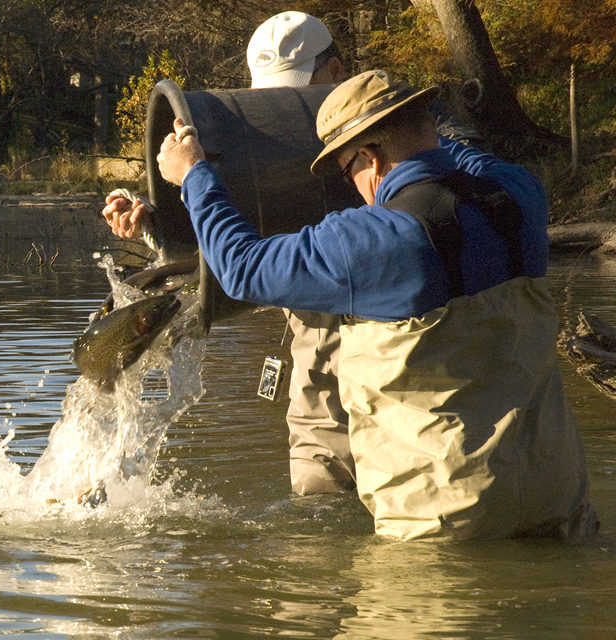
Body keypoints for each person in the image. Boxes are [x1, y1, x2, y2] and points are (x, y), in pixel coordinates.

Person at [154, 69, 597, 541]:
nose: (353, 189)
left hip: (442, 525)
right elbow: (464, 159)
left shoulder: (369, 240)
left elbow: (241, 268)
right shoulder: (521, 195)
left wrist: (194, 175)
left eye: (348, 172)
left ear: (371, 156)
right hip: (556, 498)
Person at [103, 11, 358, 497]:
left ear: (337, 74)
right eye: (274, 96)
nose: (288, 107)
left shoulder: (381, 141)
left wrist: (198, 176)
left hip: (383, 356)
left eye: (298, 91)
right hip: (317, 360)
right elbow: (233, 239)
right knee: (319, 500)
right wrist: (158, 225)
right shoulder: (274, 144)